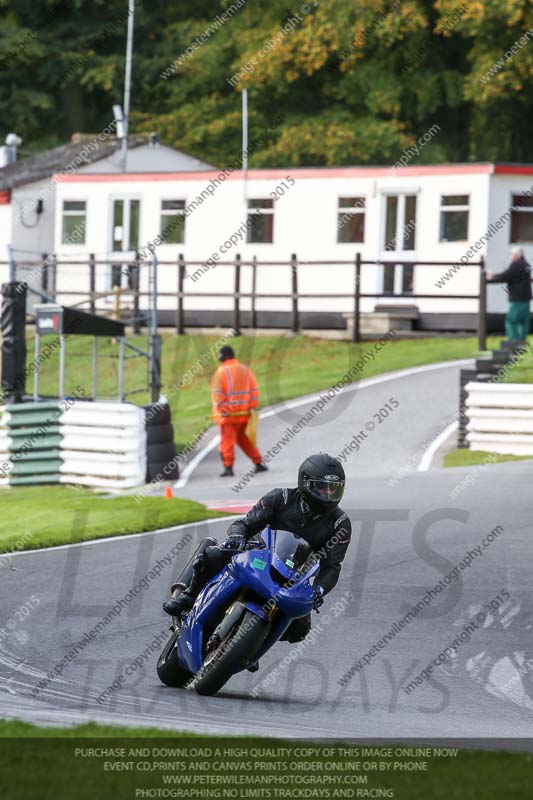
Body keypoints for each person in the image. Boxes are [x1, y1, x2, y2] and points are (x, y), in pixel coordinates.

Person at [163, 453, 352, 644]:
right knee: (211, 555)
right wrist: (237, 536)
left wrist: (319, 589)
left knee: (300, 629)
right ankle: (188, 597)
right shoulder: (281, 498)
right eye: (322, 488)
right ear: (305, 482)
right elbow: (245, 524)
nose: (327, 495)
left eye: (333, 490)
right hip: (258, 553)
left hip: (294, 576)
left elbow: (332, 566)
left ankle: (253, 645)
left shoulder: (340, 524)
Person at [211, 345, 267, 477]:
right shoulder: (245, 370)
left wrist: (222, 410)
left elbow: (217, 394)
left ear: (222, 357)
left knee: (227, 442)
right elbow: (254, 391)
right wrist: (251, 406)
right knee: (244, 439)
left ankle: (228, 467)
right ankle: (258, 463)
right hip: (244, 414)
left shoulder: (220, 372)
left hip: (228, 416)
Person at [487, 247, 532, 342]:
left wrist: (493, 276)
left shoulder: (516, 265)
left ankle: (513, 341)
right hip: (526, 297)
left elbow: (506, 275)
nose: (511, 257)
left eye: (512, 255)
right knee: (523, 320)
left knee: (511, 319)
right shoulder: (526, 264)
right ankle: (522, 341)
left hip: (517, 298)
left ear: (516, 255)